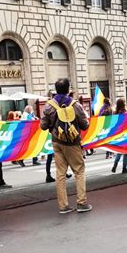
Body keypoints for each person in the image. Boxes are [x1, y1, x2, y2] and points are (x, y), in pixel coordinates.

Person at [40, 77, 91, 213]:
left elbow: (43, 126)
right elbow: (85, 125)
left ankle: (63, 206)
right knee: (79, 171)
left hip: (57, 142)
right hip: (73, 143)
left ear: (55, 90)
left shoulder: (49, 105)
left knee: (60, 174)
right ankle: (81, 202)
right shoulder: (75, 105)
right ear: (69, 89)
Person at [111, 99, 127, 174]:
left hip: (118, 134)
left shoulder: (115, 113)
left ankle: (115, 165)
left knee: (119, 151)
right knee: (125, 152)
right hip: (125, 134)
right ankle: (124, 168)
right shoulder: (126, 113)